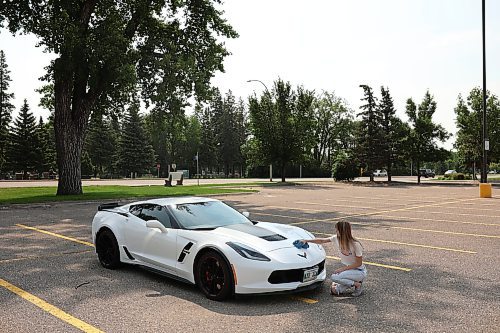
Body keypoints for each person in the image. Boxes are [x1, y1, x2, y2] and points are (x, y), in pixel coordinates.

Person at [302, 221, 367, 296]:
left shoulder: (355, 244)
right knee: (334, 291)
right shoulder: (336, 238)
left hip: (359, 271)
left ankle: (357, 284)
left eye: (337, 230)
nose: (336, 231)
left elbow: (358, 263)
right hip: (350, 270)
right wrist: (306, 241)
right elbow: (322, 240)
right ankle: (354, 283)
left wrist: (342, 269)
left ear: (342, 231)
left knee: (334, 277)